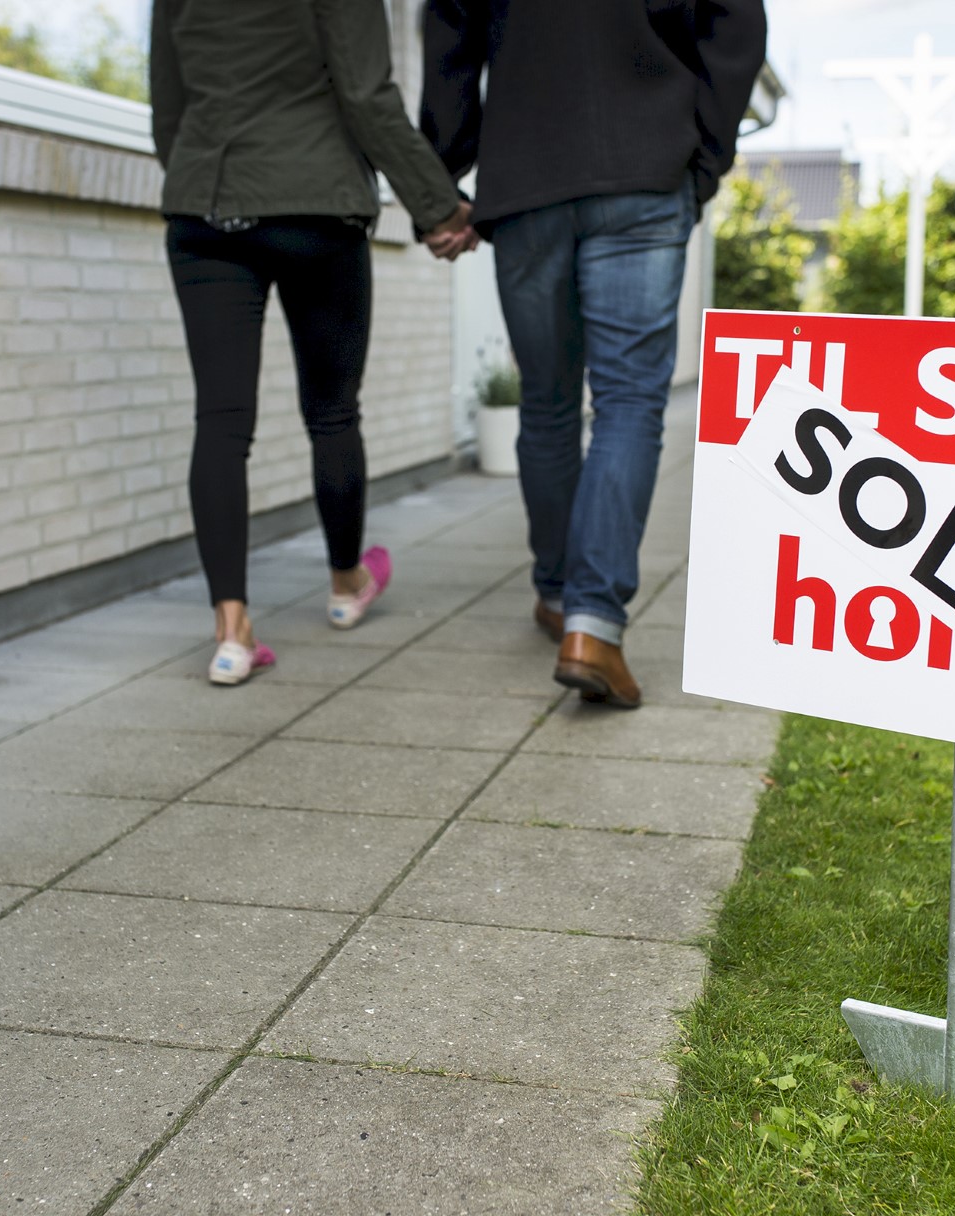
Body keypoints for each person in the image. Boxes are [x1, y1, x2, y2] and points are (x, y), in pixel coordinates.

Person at [422, 0, 767, 707]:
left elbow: (451, 33)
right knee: (630, 403)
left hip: (524, 182)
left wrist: (446, 164)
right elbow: (734, 22)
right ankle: (593, 624)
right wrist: (705, 155)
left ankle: (556, 593)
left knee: (547, 403)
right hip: (645, 165)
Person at [151, 0, 477, 685]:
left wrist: (205, 175)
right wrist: (438, 205)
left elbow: (168, 109)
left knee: (220, 420)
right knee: (332, 410)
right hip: (315, 204)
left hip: (206, 204)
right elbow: (365, 94)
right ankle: (344, 585)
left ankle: (231, 630)